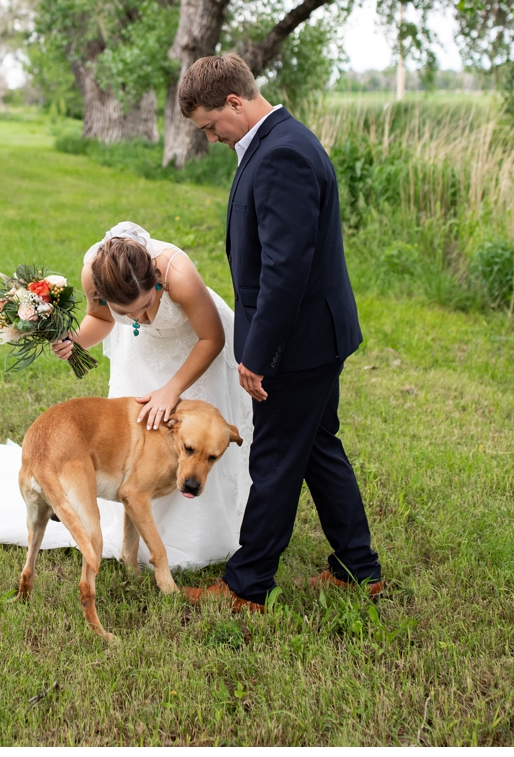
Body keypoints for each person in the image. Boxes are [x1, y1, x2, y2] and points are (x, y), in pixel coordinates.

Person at [0, 223, 252, 570]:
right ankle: (140, 539)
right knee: (137, 448)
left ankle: (202, 539)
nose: (141, 319)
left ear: (156, 283)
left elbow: (212, 339)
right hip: (144, 356)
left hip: (194, 347)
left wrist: (172, 390)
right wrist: (74, 341)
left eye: (147, 306)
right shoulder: (94, 274)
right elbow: (102, 320)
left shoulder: (177, 275)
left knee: (194, 442)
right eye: (129, 313)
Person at [178, 54, 381, 611]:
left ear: (236, 103)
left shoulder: (283, 154)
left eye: (210, 125)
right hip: (316, 335)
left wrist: (258, 354)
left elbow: (285, 271)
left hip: (298, 344)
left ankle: (247, 586)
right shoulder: (278, 141)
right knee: (317, 449)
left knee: (272, 462)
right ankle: (357, 568)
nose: (212, 136)